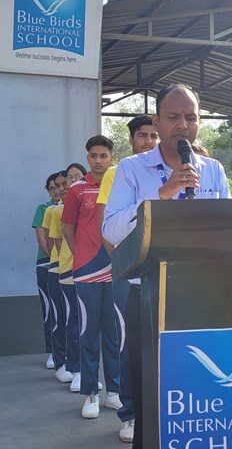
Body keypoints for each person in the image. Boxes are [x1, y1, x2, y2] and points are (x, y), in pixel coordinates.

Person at [103, 83, 231, 449]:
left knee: (198, 391)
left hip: (202, 297)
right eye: (173, 117)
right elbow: (111, 229)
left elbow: (229, 229)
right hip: (148, 297)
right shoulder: (131, 169)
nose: (182, 125)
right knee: (151, 394)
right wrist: (160, 195)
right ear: (157, 121)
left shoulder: (213, 169)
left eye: (191, 117)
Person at [96, 115, 158, 443]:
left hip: (162, 273)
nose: (148, 141)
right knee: (128, 342)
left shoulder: (170, 170)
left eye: (153, 135)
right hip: (128, 274)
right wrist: (122, 264)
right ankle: (130, 413)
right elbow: (108, 225)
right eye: (142, 135)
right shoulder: (118, 172)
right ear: (131, 139)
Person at [62, 136, 121, 419]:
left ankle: (114, 392)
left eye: (103, 155)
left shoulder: (121, 184)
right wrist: (81, 258)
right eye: (93, 156)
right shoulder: (76, 189)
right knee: (88, 331)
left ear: (111, 157)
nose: (98, 160)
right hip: (87, 270)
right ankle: (90, 393)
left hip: (117, 269)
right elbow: (68, 228)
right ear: (88, 158)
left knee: (114, 333)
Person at [49, 163, 88, 393]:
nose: (71, 182)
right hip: (69, 270)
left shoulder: (93, 201)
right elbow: (56, 242)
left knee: (90, 324)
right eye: (69, 178)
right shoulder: (58, 210)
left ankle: (87, 370)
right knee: (73, 321)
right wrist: (74, 256)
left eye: (76, 177)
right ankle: (75, 369)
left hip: (93, 270)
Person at [42, 171, 74, 383]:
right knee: (59, 316)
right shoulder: (53, 210)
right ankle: (59, 361)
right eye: (58, 185)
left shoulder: (83, 206)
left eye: (65, 183)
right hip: (58, 269)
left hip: (80, 270)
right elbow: (51, 242)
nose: (62, 189)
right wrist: (62, 259)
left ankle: (74, 363)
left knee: (75, 320)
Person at [32, 173, 59, 369]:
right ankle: (52, 351)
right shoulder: (43, 209)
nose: (56, 191)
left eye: (59, 186)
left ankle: (68, 352)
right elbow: (43, 239)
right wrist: (57, 257)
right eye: (51, 188)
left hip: (70, 265)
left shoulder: (71, 205)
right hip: (47, 263)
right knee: (50, 308)